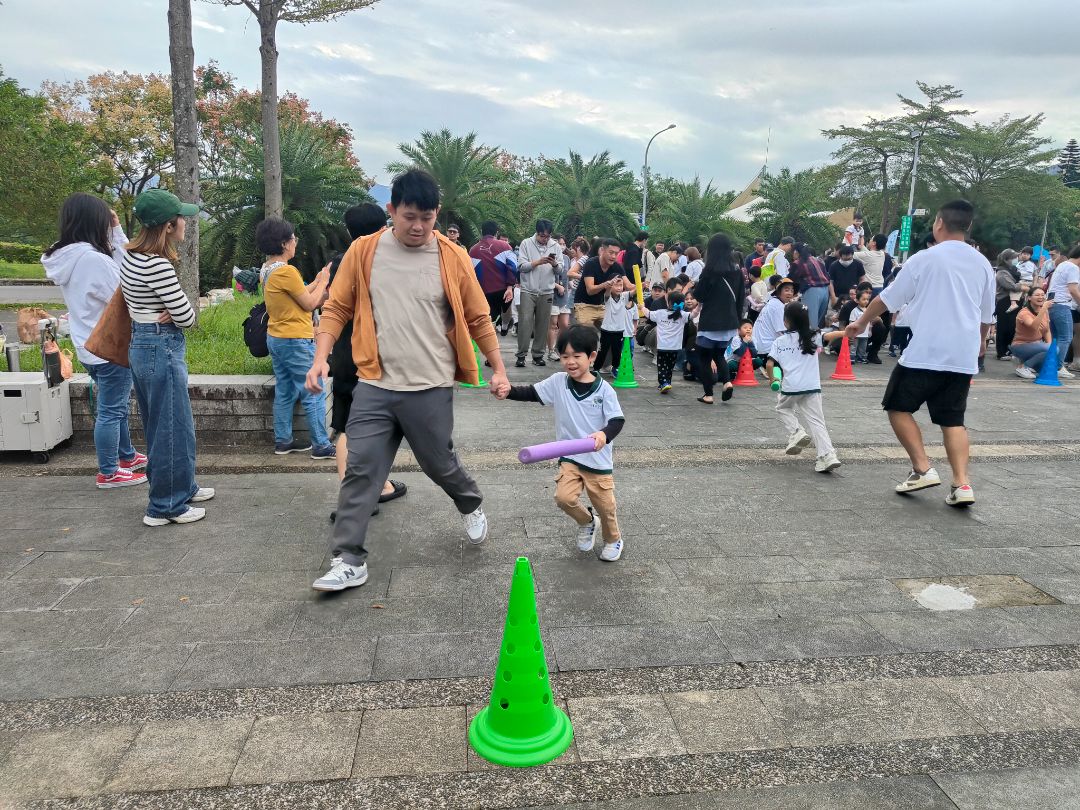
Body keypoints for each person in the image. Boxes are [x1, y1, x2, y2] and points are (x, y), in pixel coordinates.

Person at [306, 169, 509, 591]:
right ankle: (348, 559)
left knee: (439, 463)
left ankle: (470, 502)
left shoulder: (452, 256)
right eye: (410, 217)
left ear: (437, 214)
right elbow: (337, 308)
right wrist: (320, 358)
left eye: (427, 218)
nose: (418, 227)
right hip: (375, 383)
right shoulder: (365, 251)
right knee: (361, 469)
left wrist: (499, 368)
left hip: (429, 385)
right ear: (391, 210)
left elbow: (477, 316)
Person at [846, 200, 994, 508]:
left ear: (938, 223)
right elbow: (985, 315)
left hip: (926, 351)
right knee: (953, 420)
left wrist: (860, 323)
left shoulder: (924, 259)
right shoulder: (982, 263)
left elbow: (887, 299)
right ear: (968, 226)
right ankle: (962, 484)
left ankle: (923, 468)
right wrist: (980, 344)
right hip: (963, 355)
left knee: (897, 406)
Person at [42, 193, 147, 489]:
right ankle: (109, 472)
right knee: (112, 410)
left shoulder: (70, 257)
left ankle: (126, 456)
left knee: (115, 406)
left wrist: (115, 230)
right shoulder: (92, 260)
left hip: (88, 344)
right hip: (110, 346)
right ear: (93, 222)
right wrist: (117, 233)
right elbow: (127, 287)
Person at [120, 189, 213, 525]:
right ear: (168, 226)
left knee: (165, 424)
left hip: (142, 343)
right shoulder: (158, 265)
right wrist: (176, 313)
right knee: (171, 427)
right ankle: (165, 506)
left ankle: (182, 487)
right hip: (162, 346)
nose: (186, 222)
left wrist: (171, 312)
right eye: (181, 218)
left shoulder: (131, 257)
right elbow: (187, 317)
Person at [497, 325, 626, 562]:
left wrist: (603, 435)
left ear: (592, 356)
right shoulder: (558, 382)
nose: (570, 362)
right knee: (564, 498)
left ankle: (613, 539)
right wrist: (509, 392)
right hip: (570, 456)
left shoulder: (604, 390)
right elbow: (532, 393)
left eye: (576, 356)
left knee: (606, 507)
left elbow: (617, 420)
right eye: (565, 356)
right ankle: (587, 522)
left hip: (597, 460)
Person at [327, 203, 407, 521]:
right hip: (379, 354)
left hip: (347, 354)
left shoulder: (340, 262)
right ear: (383, 227)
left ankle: (371, 489)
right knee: (375, 425)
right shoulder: (389, 260)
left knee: (349, 424)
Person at [256, 217, 335, 459]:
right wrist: (323, 282)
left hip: (277, 338)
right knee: (314, 389)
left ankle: (283, 441)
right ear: (284, 243)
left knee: (285, 390)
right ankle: (321, 445)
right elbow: (310, 303)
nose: (295, 242)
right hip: (295, 340)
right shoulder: (287, 271)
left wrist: (317, 281)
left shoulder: (268, 269)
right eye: (293, 238)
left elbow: (298, 294)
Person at [765, 302, 843, 473]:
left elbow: (770, 364)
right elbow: (832, 335)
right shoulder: (814, 336)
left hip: (791, 386)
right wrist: (847, 332)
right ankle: (828, 456)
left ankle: (797, 432)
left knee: (782, 408)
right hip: (812, 386)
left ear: (786, 321)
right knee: (817, 421)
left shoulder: (780, 341)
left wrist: (772, 379)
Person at [693, 233, 744, 404]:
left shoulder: (709, 271)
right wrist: (737, 321)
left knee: (705, 358)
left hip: (710, 322)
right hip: (729, 322)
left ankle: (708, 395)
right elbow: (741, 298)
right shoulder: (737, 271)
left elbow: (699, 295)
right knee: (719, 355)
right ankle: (727, 382)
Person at [515, 219, 560, 367]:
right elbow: (521, 266)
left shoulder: (555, 246)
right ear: (537, 233)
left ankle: (538, 355)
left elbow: (560, 270)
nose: (544, 239)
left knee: (543, 324)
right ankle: (521, 355)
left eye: (547, 236)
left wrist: (554, 264)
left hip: (547, 291)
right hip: (528, 289)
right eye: (542, 236)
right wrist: (537, 262)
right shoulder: (526, 243)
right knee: (525, 322)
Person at [469, 220, 517, 328]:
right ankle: (504, 326)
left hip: (483, 292)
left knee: (489, 318)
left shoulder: (473, 250)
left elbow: (470, 273)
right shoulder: (505, 246)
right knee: (505, 310)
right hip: (503, 290)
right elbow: (513, 266)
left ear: (481, 231)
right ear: (496, 232)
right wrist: (510, 286)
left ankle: (495, 329)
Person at [573, 239, 626, 329]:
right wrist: (605, 285)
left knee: (614, 329)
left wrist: (641, 285)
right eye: (611, 252)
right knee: (585, 334)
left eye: (616, 254)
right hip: (584, 305)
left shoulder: (617, 266)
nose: (613, 256)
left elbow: (628, 285)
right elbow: (590, 290)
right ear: (602, 250)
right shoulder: (590, 263)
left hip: (602, 306)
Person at [1046, 245, 1080, 377]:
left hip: (1052, 305)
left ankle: (1051, 365)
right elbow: (1073, 290)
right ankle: (1058, 367)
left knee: (1055, 338)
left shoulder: (1062, 265)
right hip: (1062, 305)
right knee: (1066, 337)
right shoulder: (1073, 268)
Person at [647, 289, 690, 393]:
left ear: (668, 302)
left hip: (662, 346)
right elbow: (693, 315)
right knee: (670, 366)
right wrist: (700, 305)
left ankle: (664, 383)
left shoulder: (660, 313)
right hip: (675, 347)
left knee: (662, 365)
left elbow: (648, 314)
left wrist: (641, 307)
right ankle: (666, 383)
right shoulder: (683, 315)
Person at [1010, 287, 1051, 379]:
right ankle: (1023, 367)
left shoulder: (1044, 311)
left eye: (1042, 295)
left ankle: (1026, 362)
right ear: (1029, 298)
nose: (1040, 297)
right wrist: (1044, 308)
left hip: (1037, 345)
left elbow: (1047, 330)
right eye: (1037, 295)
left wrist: (1050, 345)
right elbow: (1034, 327)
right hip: (1021, 345)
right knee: (1053, 349)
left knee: (1052, 351)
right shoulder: (1024, 313)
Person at [752, 276, 796, 363]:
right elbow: (783, 330)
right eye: (787, 290)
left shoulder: (774, 302)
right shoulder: (778, 307)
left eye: (792, 290)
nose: (790, 293)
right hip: (767, 349)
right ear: (779, 292)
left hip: (759, 346)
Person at [790, 243, 831, 329]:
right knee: (818, 322)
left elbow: (791, 279)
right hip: (825, 291)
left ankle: (810, 337)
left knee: (809, 323)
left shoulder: (798, 263)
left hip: (812, 291)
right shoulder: (818, 260)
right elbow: (827, 276)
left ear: (796, 252)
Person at [595, 275, 631, 374]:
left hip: (619, 330)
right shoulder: (607, 297)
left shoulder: (624, 296)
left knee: (617, 351)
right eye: (616, 285)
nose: (619, 288)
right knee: (602, 351)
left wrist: (642, 285)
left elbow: (634, 291)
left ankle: (615, 368)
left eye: (621, 285)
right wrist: (609, 285)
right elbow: (607, 292)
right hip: (606, 330)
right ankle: (596, 368)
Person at [993, 249, 1022, 361]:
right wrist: (1022, 286)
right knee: (1003, 328)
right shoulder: (1002, 272)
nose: (1016, 259)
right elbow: (1011, 286)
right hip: (1004, 302)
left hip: (1013, 301)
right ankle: (1001, 352)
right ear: (1006, 259)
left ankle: (1009, 350)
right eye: (1013, 258)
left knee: (1012, 328)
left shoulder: (1013, 270)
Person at [547, 240, 571, 361]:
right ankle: (551, 350)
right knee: (553, 324)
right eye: (558, 243)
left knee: (565, 325)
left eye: (563, 243)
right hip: (552, 295)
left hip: (564, 296)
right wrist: (557, 286)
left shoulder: (566, 258)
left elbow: (568, 275)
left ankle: (559, 347)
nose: (561, 246)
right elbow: (545, 278)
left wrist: (569, 285)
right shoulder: (548, 258)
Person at [827, 245, 865, 310]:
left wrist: (858, 293)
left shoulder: (858, 264)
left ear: (852, 255)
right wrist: (833, 296)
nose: (847, 261)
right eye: (845, 259)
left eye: (849, 259)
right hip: (838, 296)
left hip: (853, 296)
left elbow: (862, 279)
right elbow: (830, 282)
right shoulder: (834, 265)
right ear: (840, 256)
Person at [847, 288, 875, 363]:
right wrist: (851, 332)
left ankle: (860, 357)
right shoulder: (854, 311)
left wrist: (870, 330)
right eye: (863, 299)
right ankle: (851, 357)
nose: (866, 301)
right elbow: (851, 322)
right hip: (856, 333)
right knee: (853, 346)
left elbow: (870, 321)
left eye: (867, 299)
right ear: (857, 300)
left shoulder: (868, 310)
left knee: (863, 346)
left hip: (865, 333)